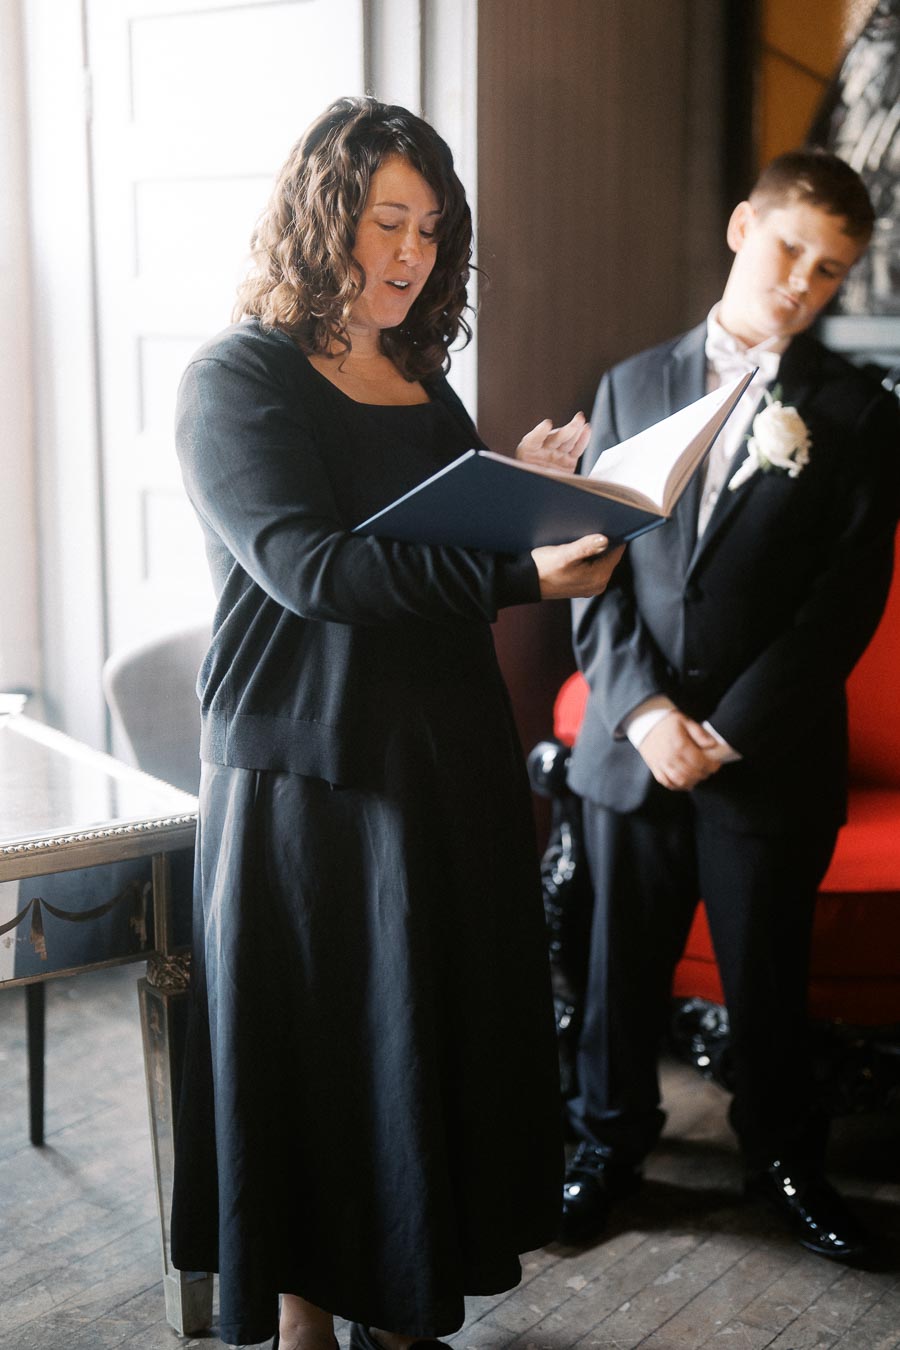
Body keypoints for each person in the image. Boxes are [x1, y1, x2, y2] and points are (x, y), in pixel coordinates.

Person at [169, 96, 622, 1350]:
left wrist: (524, 493)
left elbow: (434, 543)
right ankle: (312, 1328)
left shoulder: (422, 382)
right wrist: (524, 571)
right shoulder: (236, 377)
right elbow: (318, 572)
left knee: (420, 1053)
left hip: (439, 757)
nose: (411, 253)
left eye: (430, 228)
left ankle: (409, 1317)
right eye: (386, 221)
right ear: (324, 218)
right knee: (325, 1065)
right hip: (306, 779)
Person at [561, 148, 900, 1259]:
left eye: (830, 271)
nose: (801, 282)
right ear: (743, 225)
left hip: (766, 747)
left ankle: (784, 1161)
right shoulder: (629, 385)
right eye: (790, 249)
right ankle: (605, 1149)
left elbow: (841, 606)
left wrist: (730, 731)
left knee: (767, 974)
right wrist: (646, 713)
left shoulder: (855, 414)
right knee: (620, 965)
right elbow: (591, 572)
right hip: (637, 739)